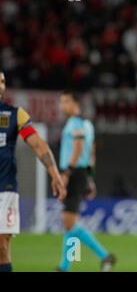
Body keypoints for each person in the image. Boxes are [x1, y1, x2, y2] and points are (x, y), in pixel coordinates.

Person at [0, 71, 66, 272]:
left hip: (5, 187)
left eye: (2, 81)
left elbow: (38, 145)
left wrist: (54, 174)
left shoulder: (14, 114)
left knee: (2, 244)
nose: (1, 84)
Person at [57, 91, 116, 272]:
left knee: (69, 221)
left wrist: (67, 172)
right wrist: (90, 179)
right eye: (61, 102)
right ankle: (65, 266)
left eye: (65, 101)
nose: (62, 105)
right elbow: (91, 153)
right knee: (70, 222)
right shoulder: (88, 124)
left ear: (75, 103)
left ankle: (104, 255)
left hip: (73, 173)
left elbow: (79, 147)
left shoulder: (75, 123)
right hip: (82, 173)